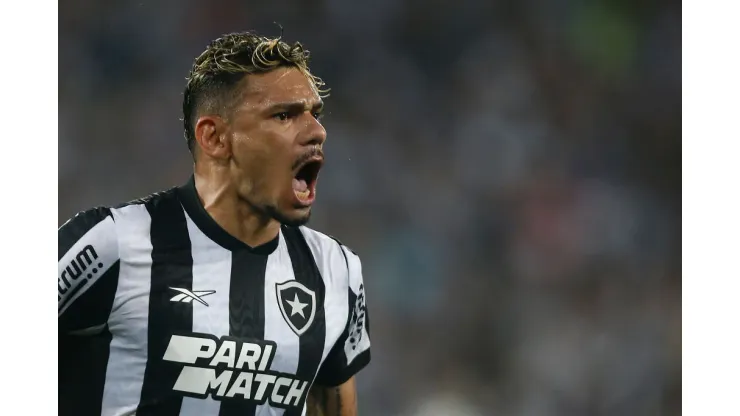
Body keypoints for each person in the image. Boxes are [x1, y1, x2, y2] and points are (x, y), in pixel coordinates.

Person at [58, 31, 371, 416]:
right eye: (284, 115)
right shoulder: (115, 243)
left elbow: (332, 406)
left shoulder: (336, 270)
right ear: (215, 138)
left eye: (315, 114)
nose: (316, 132)